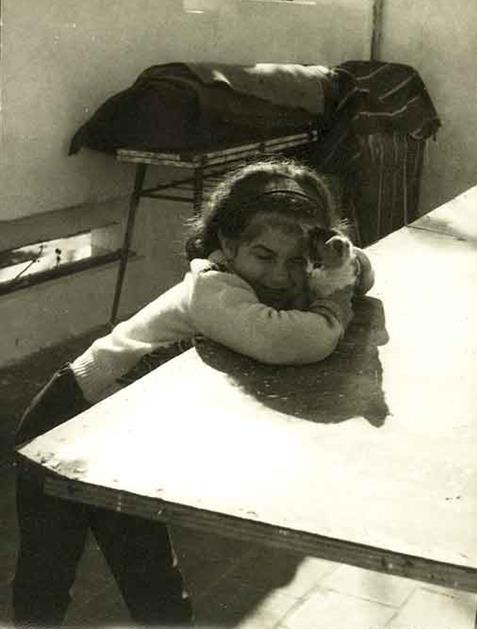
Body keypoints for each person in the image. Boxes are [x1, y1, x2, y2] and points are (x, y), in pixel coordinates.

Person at [13, 158, 374, 627]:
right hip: (69, 421)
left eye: (296, 262)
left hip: (125, 438)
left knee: (151, 578)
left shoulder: (273, 267)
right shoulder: (210, 289)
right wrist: (335, 297)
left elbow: (363, 273)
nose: (280, 276)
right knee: (48, 570)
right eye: (264, 257)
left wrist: (341, 260)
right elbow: (292, 340)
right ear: (228, 243)